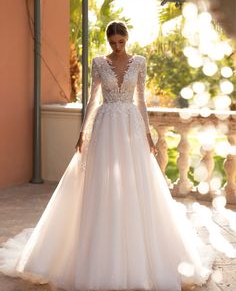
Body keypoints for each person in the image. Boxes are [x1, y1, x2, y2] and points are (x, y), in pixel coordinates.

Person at [0, 21, 215, 291]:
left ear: (127, 38)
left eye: (120, 42)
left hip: (131, 128)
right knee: (102, 186)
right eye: (112, 42)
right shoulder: (99, 62)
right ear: (108, 41)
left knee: (136, 186)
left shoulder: (139, 62)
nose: (117, 47)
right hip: (105, 127)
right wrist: (83, 132)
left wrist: (148, 136)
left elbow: (142, 100)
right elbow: (93, 99)